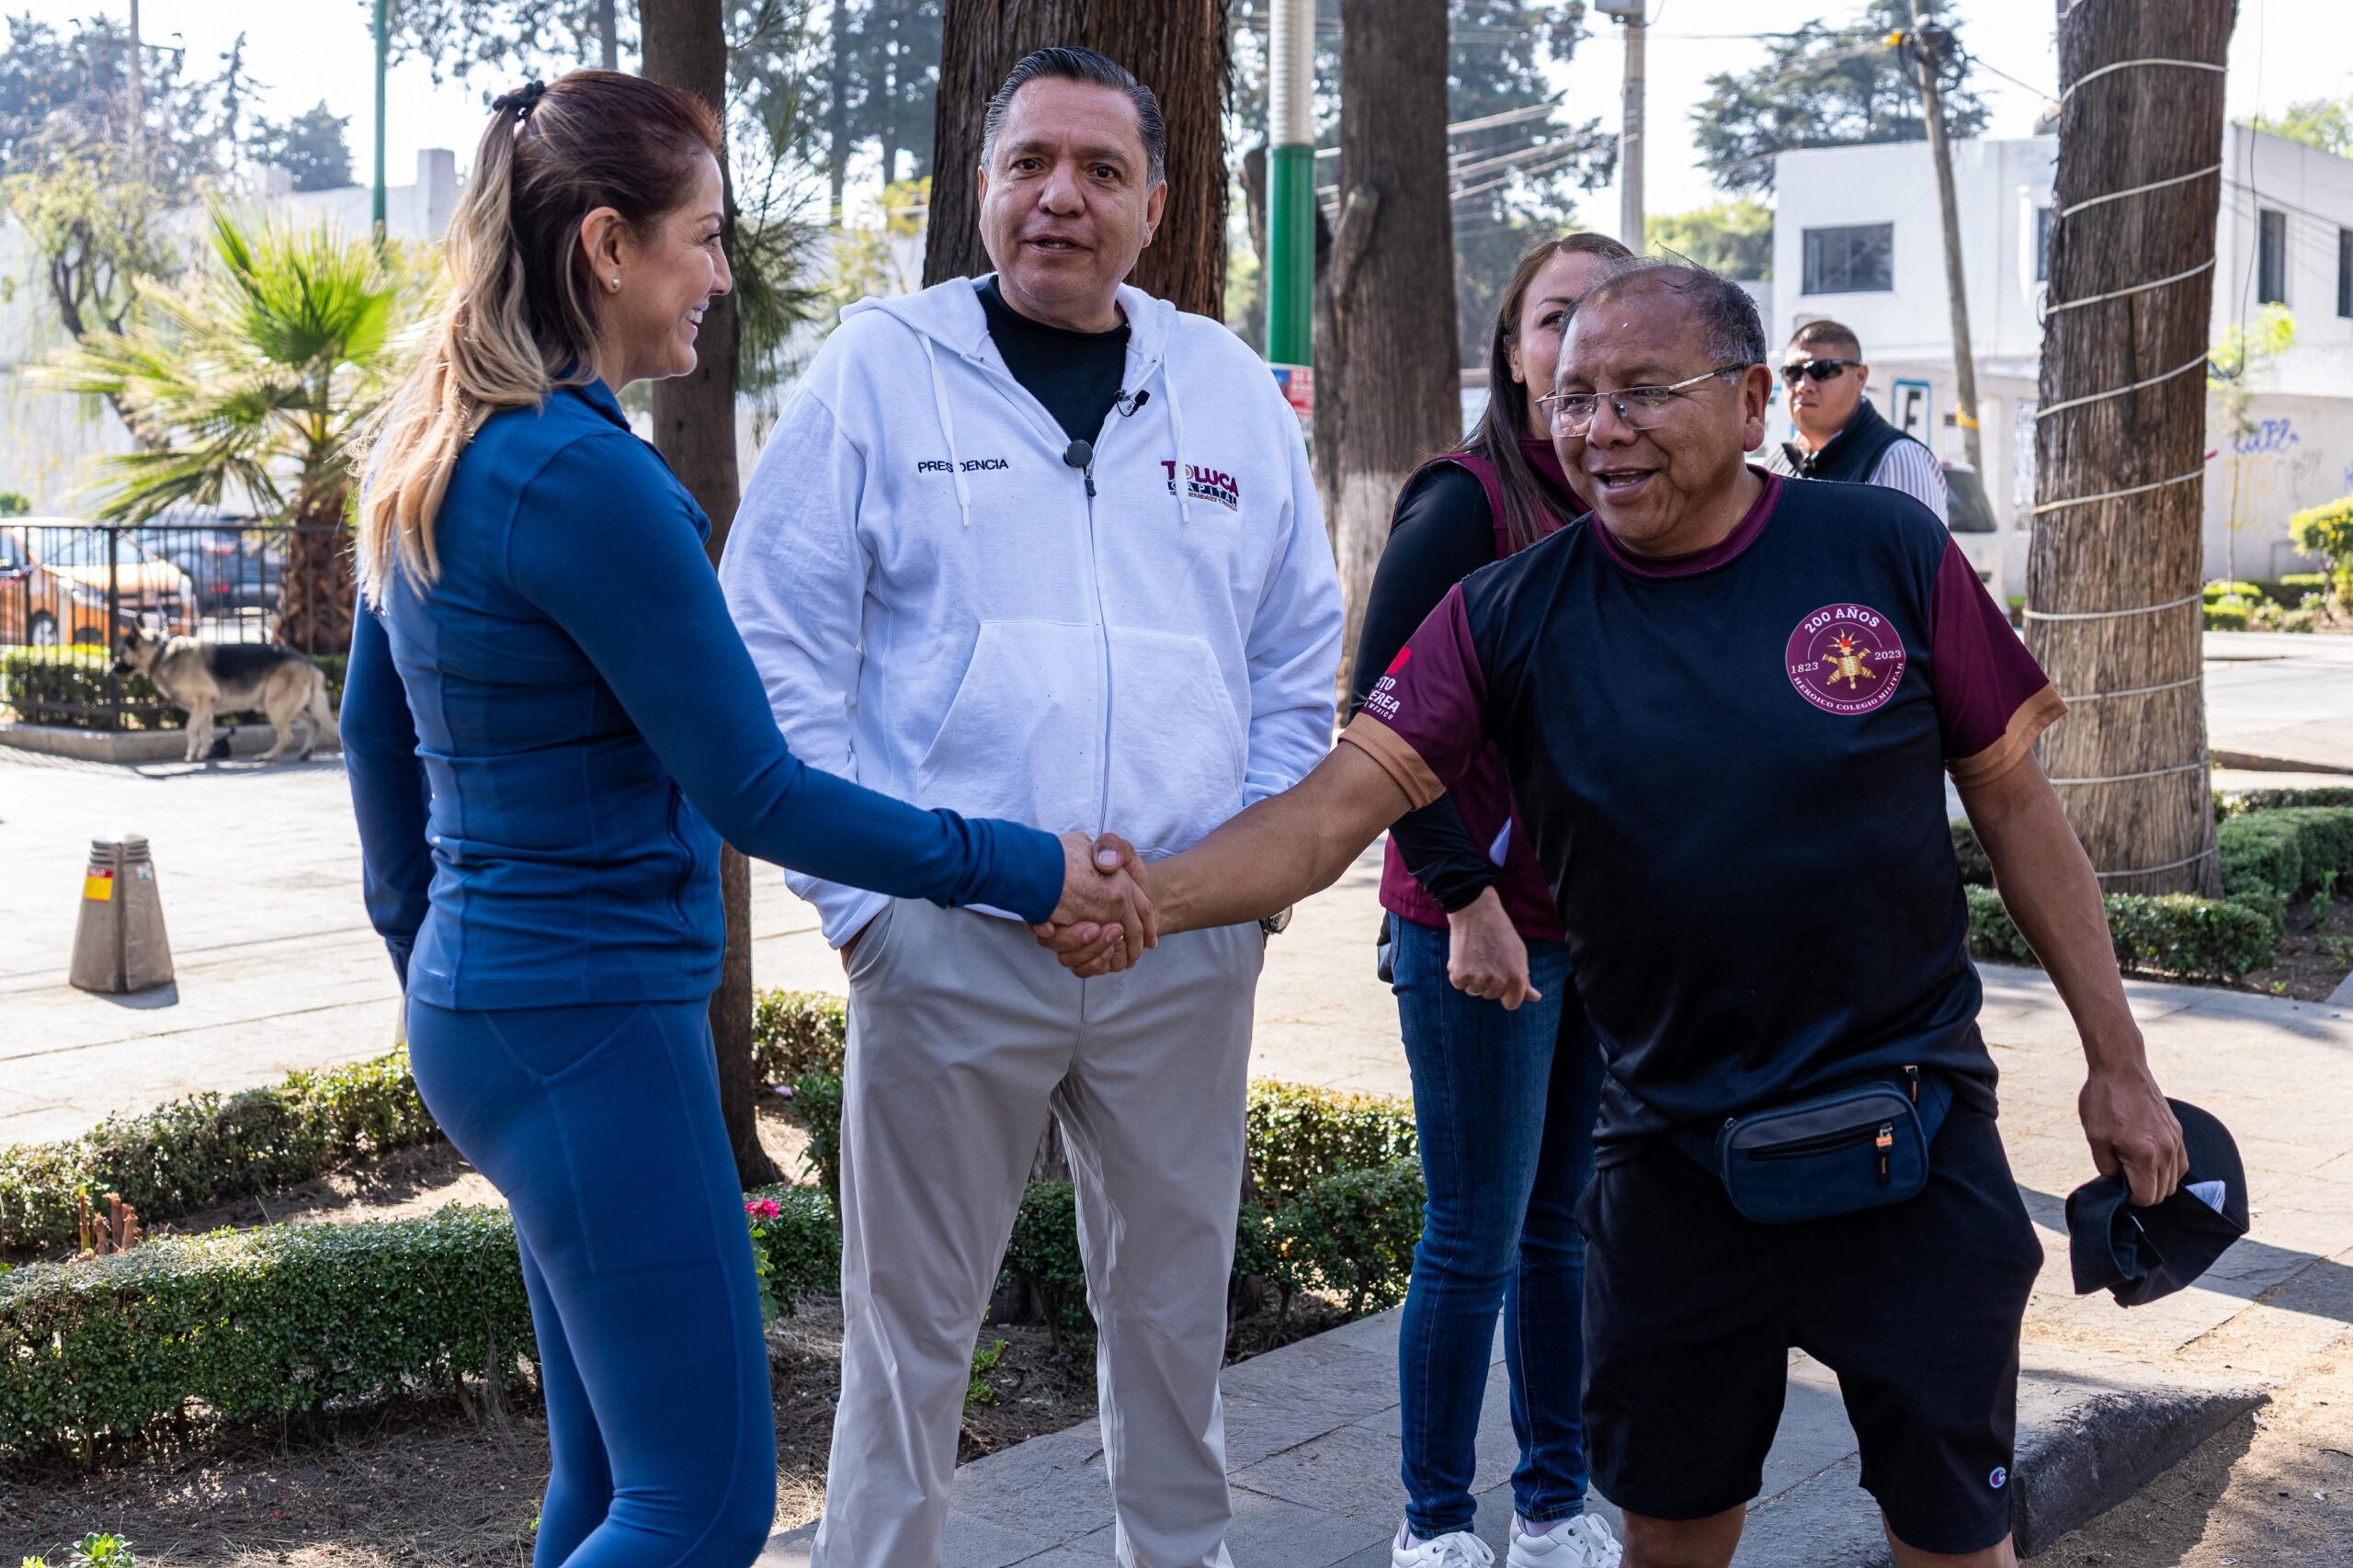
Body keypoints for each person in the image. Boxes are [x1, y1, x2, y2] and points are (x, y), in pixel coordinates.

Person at [1053, 260, 2190, 1568]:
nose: (1600, 429)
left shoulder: (1884, 549)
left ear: (1752, 399)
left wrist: (2120, 1060)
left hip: (1911, 1140)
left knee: (1953, 1539)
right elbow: (1327, 815)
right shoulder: (1506, 613)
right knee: (1668, 1537)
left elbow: (2018, 808)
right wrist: (1145, 897)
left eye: (1644, 392)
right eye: (1576, 397)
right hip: (1668, 1163)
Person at [340, 72, 1148, 1568]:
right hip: (592, 1015)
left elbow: (369, 740)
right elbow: (755, 790)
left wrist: (440, 962)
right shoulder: (592, 483)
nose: (720, 275)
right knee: (702, 1505)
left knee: (609, 1484)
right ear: (606, 246)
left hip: (490, 1008)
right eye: (703, 239)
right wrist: (1023, 866)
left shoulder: (437, 442)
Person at [718, 46, 1343, 1568]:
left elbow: (1294, 661)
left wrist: (1238, 893)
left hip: (1180, 947)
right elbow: (773, 650)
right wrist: (868, 908)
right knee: (909, 1333)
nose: (1061, 196)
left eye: (1101, 170)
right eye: (1029, 164)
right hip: (947, 938)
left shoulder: (1228, 394)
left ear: (1156, 206)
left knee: (1174, 1317)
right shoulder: (880, 370)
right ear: (982, 186)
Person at [1346, 232, 1631, 1568]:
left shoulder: (1630, 504)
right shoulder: (1465, 503)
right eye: (1554, 318)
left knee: (1560, 1229)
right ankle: (1436, 1523)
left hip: (1597, 926)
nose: (1578, 343)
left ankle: (1556, 1503)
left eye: (1606, 316)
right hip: (1480, 926)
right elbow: (1376, 714)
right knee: (1473, 1237)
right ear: (1515, 356)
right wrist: (1465, 897)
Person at [1763, 319, 1949, 522]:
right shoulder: (1777, 463)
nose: (1803, 385)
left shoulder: (1899, 459)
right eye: (1793, 372)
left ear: (1860, 377)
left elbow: (1922, 543)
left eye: (1823, 369)